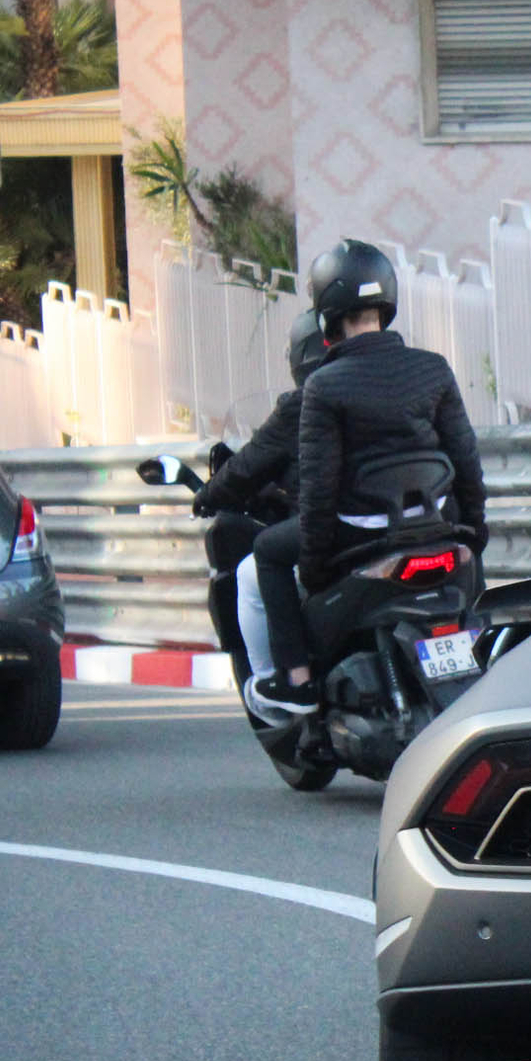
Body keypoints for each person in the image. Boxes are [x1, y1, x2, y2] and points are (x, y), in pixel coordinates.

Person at [248, 240, 487, 719]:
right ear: (387, 301)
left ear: (326, 311)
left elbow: (318, 489)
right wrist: (474, 533)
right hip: (433, 525)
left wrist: (314, 569)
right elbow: (466, 459)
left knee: (267, 554)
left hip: (360, 532)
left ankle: (296, 681)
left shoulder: (323, 384)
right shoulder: (433, 367)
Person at [195, 309, 325, 694]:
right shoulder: (380, 387)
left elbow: (247, 466)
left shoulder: (305, 404)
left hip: (342, 527)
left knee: (255, 568)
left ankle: (280, 681)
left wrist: (206, 495)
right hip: (417, 521)